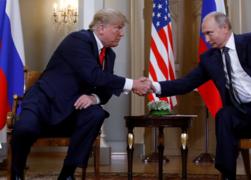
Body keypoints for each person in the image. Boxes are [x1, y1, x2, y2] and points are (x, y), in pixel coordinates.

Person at [152, 12, 251, 180]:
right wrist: (154, 86)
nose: (207, 39)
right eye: (205, 34)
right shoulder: (210, 58)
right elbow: (186, 83)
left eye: (210, 33)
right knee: (224, 114)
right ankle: (227, 174)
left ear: (224, 28)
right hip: (245, 113)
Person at [11, 9, 150, 180]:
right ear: (101, 28)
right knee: (25, 129)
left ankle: (67, 174)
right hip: (44, 102)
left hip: (71, 108)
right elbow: (93, 75)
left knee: (96, 113)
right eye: (118, 28)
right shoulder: (79, 40)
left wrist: (94, 98)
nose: (121, 34)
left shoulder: (109, 54)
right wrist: (132, 84)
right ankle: (17, 173)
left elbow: (105, 87)